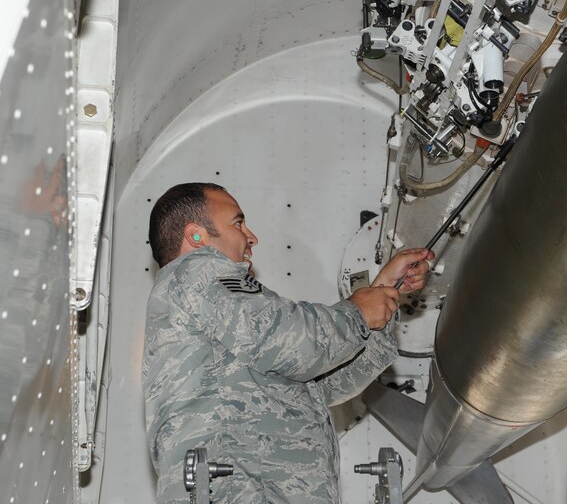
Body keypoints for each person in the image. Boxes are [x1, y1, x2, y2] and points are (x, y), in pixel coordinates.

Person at [142, 182, 433, 503]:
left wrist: (383, 295)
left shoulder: (222, 310)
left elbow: (328, 382)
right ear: (197, 236)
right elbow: (290, 341)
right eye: (238, 223)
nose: (251, 237)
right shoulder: (197, 272)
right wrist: (359, 312)